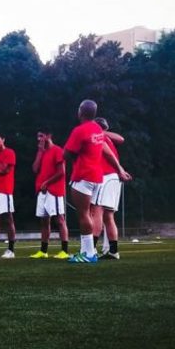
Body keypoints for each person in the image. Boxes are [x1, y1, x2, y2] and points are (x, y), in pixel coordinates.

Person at [63, 100, 130, 263]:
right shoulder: (98, 131)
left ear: (80, 112)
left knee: (86, 214)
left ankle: (88, 253)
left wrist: (74, 158)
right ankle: (92, 251)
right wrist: (120, 169)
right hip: (97, 176)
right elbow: (107, 152)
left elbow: (67, 153)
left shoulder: (80, 130)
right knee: (98, 214)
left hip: (83, 175)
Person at [91, 117, 130, 260]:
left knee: (97, 212)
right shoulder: (106, 139)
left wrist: (99, 132)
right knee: (108, 216)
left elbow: (117, 143)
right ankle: (113, 251)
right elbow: (120, 139)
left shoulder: (99, 138)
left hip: (107, 176)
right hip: (113, 178)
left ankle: (91, 249)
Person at [29, 129, 70, 259]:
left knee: (60, 220)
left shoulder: (58, 150)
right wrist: (40, 151)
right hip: (42, 191)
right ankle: (43, 251)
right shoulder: (42, 152)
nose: (39, 139)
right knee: (44, 220)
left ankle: (64, 251)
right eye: (38, 136)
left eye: (41, 136)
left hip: (54, 190)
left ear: (49, 136)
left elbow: (61, 172)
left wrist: (47, 182)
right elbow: (35, 169)